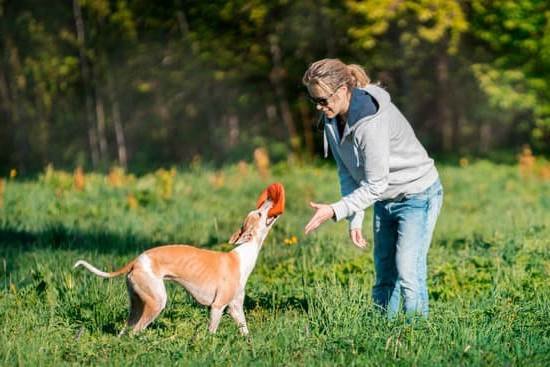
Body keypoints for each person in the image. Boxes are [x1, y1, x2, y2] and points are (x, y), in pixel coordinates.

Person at [302, 58, 443, 317]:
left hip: (416, 194)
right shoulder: (333, 120)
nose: (320, 107)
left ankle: (418, 340)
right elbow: (348, 171)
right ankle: (381, 333)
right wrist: (355, 218)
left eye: (323, 100)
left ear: (343, 91)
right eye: (314, 102)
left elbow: (376, 183)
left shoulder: (370, 122)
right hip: (384, 200)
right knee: (384, 272)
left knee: (408, 273)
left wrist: (335, 210)